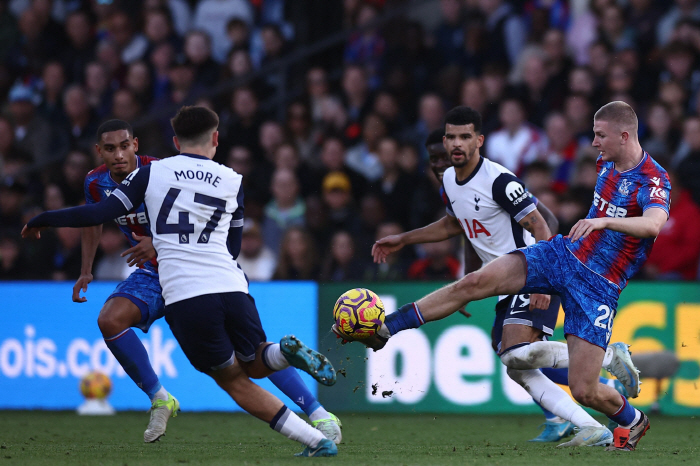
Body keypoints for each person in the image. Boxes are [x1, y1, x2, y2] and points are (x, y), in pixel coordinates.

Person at [338, 102, 669, 452]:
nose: (593, 143)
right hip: (563, 254)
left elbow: (652, 224)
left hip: (600, 283)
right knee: (473, 284)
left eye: (600, 135)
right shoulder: (607, 162)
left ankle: (632, 420)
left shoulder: (653, 178)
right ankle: (387, 327)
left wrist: (603, 222)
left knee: (584, 389)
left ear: (624, 135)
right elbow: (461, 224)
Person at [33, 111, 339, 456]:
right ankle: (160, 397)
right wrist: (86, 269)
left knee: (237, 375)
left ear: (138, 145)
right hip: (181, 274)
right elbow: (96, 221)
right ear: (99, 152)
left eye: (124, 146)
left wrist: (156, 240)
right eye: (110, 149)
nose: (118, 155)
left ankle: (319, 416)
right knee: (111, 320)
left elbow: (109, 214)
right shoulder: (98, 182)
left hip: (183, 279)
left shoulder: (154, 171)